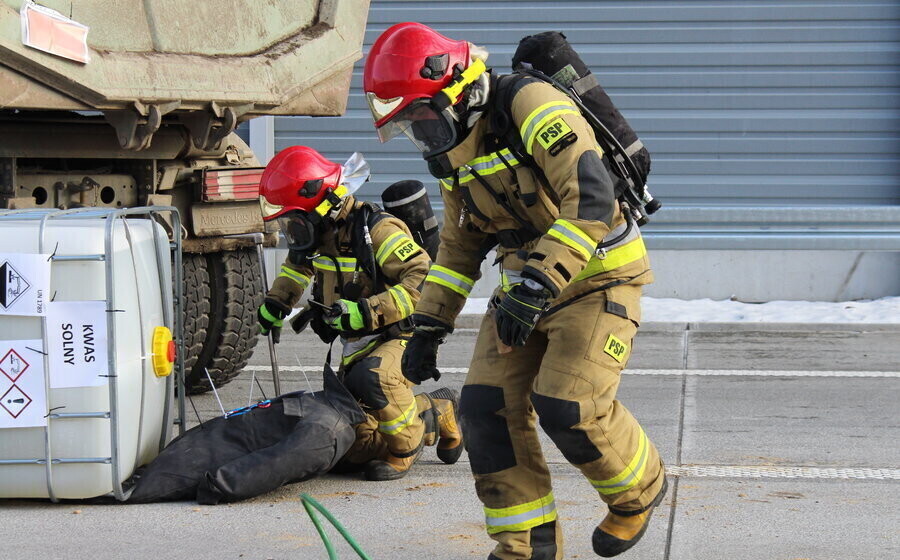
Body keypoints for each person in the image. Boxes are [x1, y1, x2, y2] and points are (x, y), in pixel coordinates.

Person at [363, 22, 667, 559]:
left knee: (567, 405)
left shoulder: (531, 104)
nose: (422, 133)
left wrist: (540, 280)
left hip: (597, 277)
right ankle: (524, 546)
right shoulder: (454, 150)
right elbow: (459, 246)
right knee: (484, 408)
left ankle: (638, 492)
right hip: (525, 288)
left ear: (455, 89)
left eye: (421, 117)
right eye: (409, 125)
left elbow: (592, 198)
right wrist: (429, 325)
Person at [256, 145, 464, 481]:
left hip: (399, 335)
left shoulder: (377, 231)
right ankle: (436, 410)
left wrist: (367, 311)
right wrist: (276, 303)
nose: (289, 226)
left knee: (373, 378)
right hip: (357, 340)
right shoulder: (317, 232)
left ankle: (406, 449)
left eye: (293, 216)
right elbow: (296, 270)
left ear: (321, 202)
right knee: (353, 447)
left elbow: (424, 281)